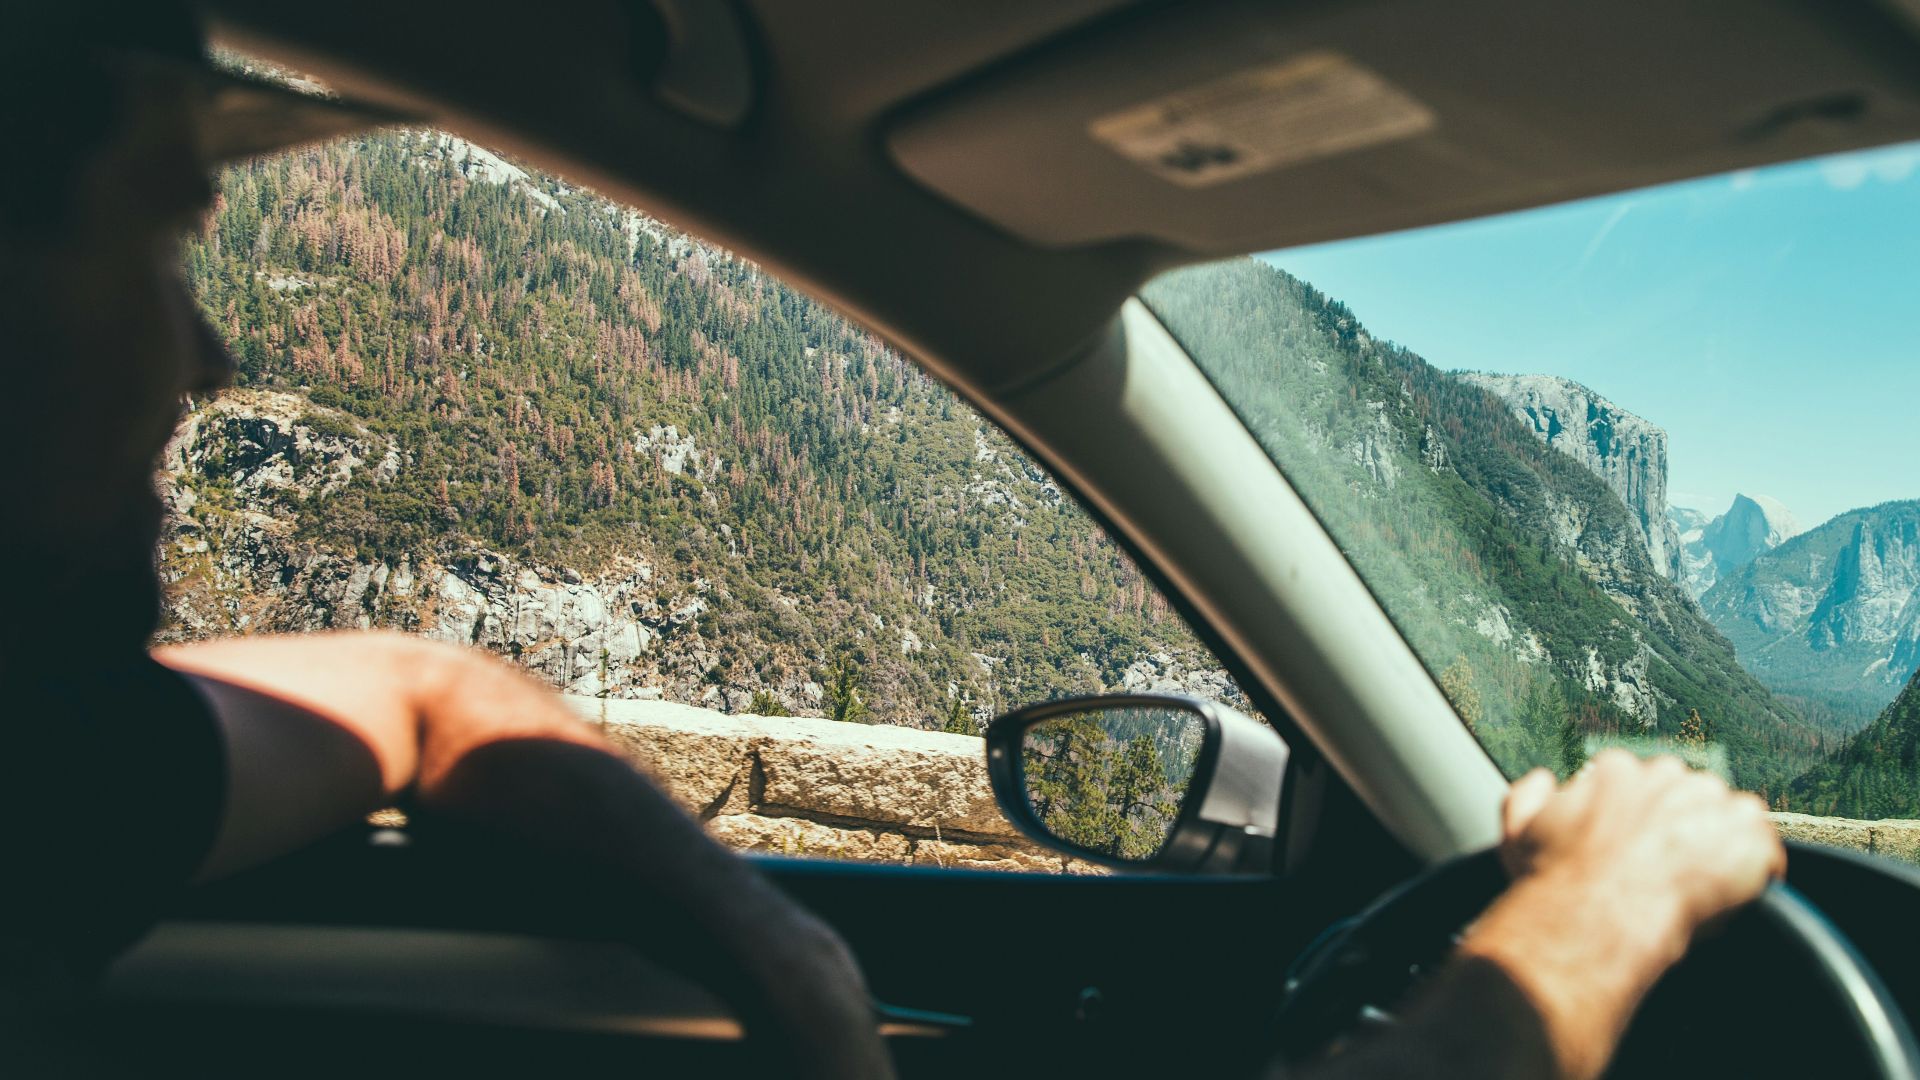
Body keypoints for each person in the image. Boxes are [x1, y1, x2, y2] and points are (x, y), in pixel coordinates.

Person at [0, 6, 1784, 1079]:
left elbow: (420, 693)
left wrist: (791, 956)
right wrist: (1599, 912)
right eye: (158, 244)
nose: (207, 350)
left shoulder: (53, 776)